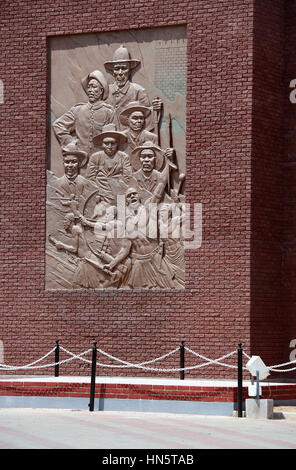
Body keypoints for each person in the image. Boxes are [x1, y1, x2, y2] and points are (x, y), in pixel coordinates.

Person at [52, 70, 115, 158]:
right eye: (88, 87)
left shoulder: (109, 112)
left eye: (94, 87)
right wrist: (70, 141)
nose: (90, 90)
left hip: (101, 161)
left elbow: (115, 137)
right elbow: (58, 125)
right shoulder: (77, 110)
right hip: (80, 160)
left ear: (101, 90)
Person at [104, 45, 161, 130]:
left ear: (129, 71)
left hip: (130, 139)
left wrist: (156, 109)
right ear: (113, 71)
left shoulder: (138, 91)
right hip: (110, 140)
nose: (120, 72)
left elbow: (147, 115)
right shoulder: (106, 91)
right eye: (117, 68)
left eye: (124, 68)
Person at [86, 123, 133, 203]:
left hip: (120, 192)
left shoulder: (123, 156)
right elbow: (90, 178)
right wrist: (98, 191)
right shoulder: (95, 157)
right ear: (102, 144)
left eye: (112, 143)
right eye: (106, 143)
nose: (110, 146)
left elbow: (128, 177)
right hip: (100, 193)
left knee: (122, 213)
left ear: (117, 144)